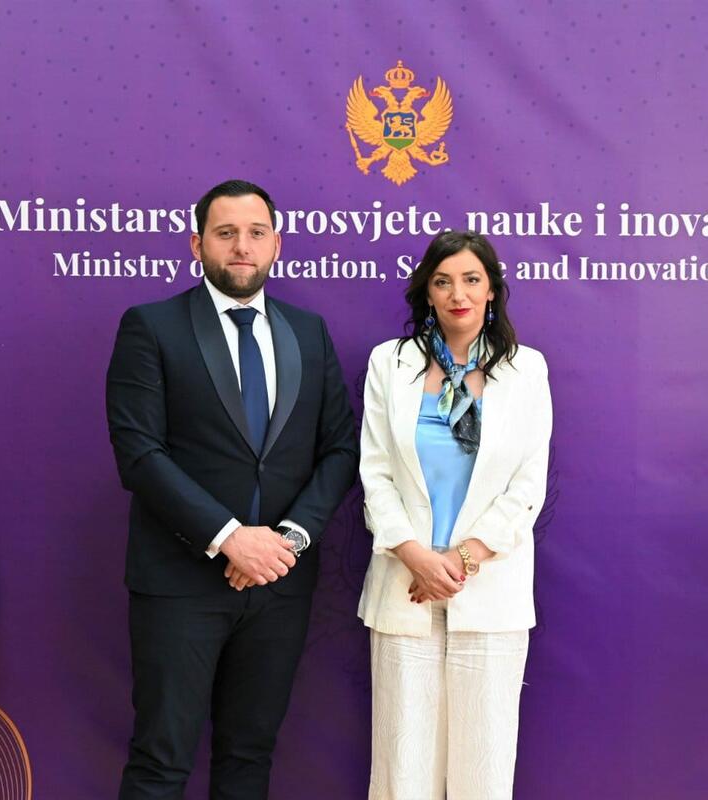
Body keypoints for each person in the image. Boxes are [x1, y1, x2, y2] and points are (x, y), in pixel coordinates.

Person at [107, 179, 358, 800]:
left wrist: (286, 541)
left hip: (279, 583)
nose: (242, 246)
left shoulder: (309, 332)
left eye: (255, 233)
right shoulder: (152, 327)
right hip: (179, 582)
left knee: (248, 758)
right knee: (161, 761)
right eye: (226, 233)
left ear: (276, 244)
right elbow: (140, 454)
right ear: (198, 245)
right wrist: (229, 539)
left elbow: (340, 448)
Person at [357, 230, 552, 800]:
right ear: (427, 292)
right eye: (443, 282)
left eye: (471, 280)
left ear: (491, 290)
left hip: (489, 588)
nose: (457, 294)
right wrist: (416, 556)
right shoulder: (390, 363)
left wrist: (462, 559)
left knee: (483, 768)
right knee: (403, 765)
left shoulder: (526, 369)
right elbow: (375, 474)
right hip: (405, 584)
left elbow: (527, 485)